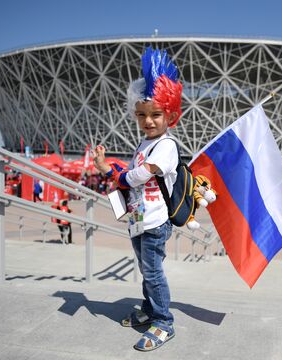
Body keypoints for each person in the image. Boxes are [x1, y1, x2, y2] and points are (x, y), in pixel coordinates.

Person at [92, 47, 181, 352]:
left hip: (156, 219)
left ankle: (164, 322)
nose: (149, 121)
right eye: (142, 115)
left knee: (153, 270)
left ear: (171, 114)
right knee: (145, 268)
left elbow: (142, 174)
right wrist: (108, 168)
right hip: (138, 217)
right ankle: (149, 307)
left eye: (156, 114)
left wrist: (119, 176)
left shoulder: (167, 145)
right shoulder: (146, 142)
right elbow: (131, 171)